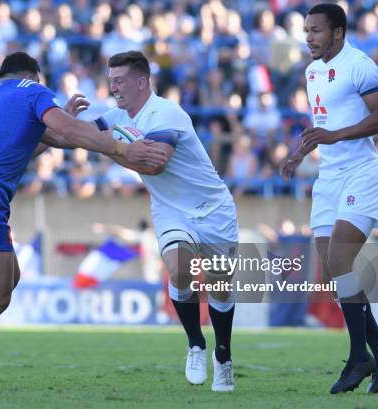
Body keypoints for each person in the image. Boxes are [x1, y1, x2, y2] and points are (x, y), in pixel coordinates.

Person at [0, 52, 167, 390]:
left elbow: (34, 144)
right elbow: (64, 131)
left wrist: (68, 123)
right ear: (34, 75)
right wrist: (119, 149)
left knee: (4, 281)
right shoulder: (33, 91)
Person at [65, 51, 240, 392]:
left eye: (120, 80)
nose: (113, 87)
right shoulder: (115, 117)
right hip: (171, 210)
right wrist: (65, 122)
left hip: (213, 209)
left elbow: (155, 164)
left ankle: (223, 356)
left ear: (142, 81)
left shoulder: (166, 113)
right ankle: (195, 345)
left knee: (220, 285)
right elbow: (75, 137)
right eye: (110, 80)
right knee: (178, 267)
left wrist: (111, 148)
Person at [280, 3, 378, 394]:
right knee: (335, 270)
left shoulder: (360, 65)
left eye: (316, 30)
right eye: (306, 30)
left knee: (339, 260)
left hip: (361, 174)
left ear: (338, 32)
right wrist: (300, 153)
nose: (308, 37)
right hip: (328, 177)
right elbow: (322, 125)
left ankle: (358, 357)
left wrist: (334, 136)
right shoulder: (312, 72)